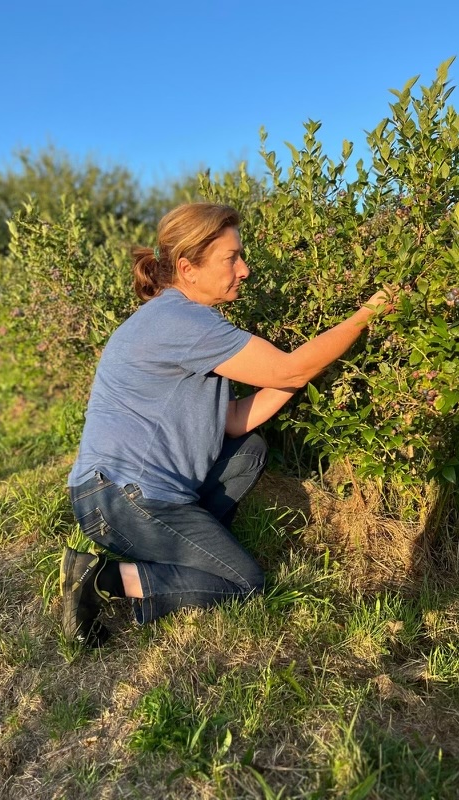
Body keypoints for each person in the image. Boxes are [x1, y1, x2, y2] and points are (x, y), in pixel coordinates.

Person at [61, 202, 391, 647]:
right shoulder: (184, 321)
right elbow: (289, 369)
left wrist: (299, 374)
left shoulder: (181, 319)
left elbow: (234, 421)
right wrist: (368, 314)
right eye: (230, 258)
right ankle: (101, 576)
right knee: (244, 582)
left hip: (118, 496)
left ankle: (193, 556)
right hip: (122, 500)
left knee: (249, 451)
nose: (245, 269)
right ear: (187, 268)